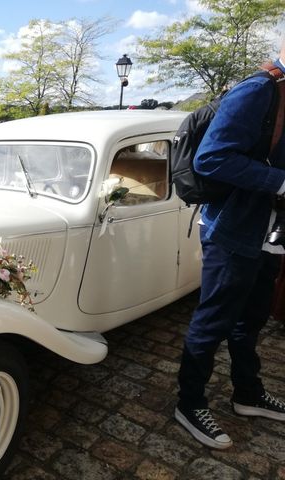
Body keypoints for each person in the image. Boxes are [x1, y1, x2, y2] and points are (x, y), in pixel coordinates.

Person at [175, 46, 285, 450]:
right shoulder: (259, 89)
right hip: (233, 226)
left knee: (251, 317)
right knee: (215, 318)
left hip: (269, 230)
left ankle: (247, 392)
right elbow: (212, 159)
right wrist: (281, 182)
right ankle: (189, 402)